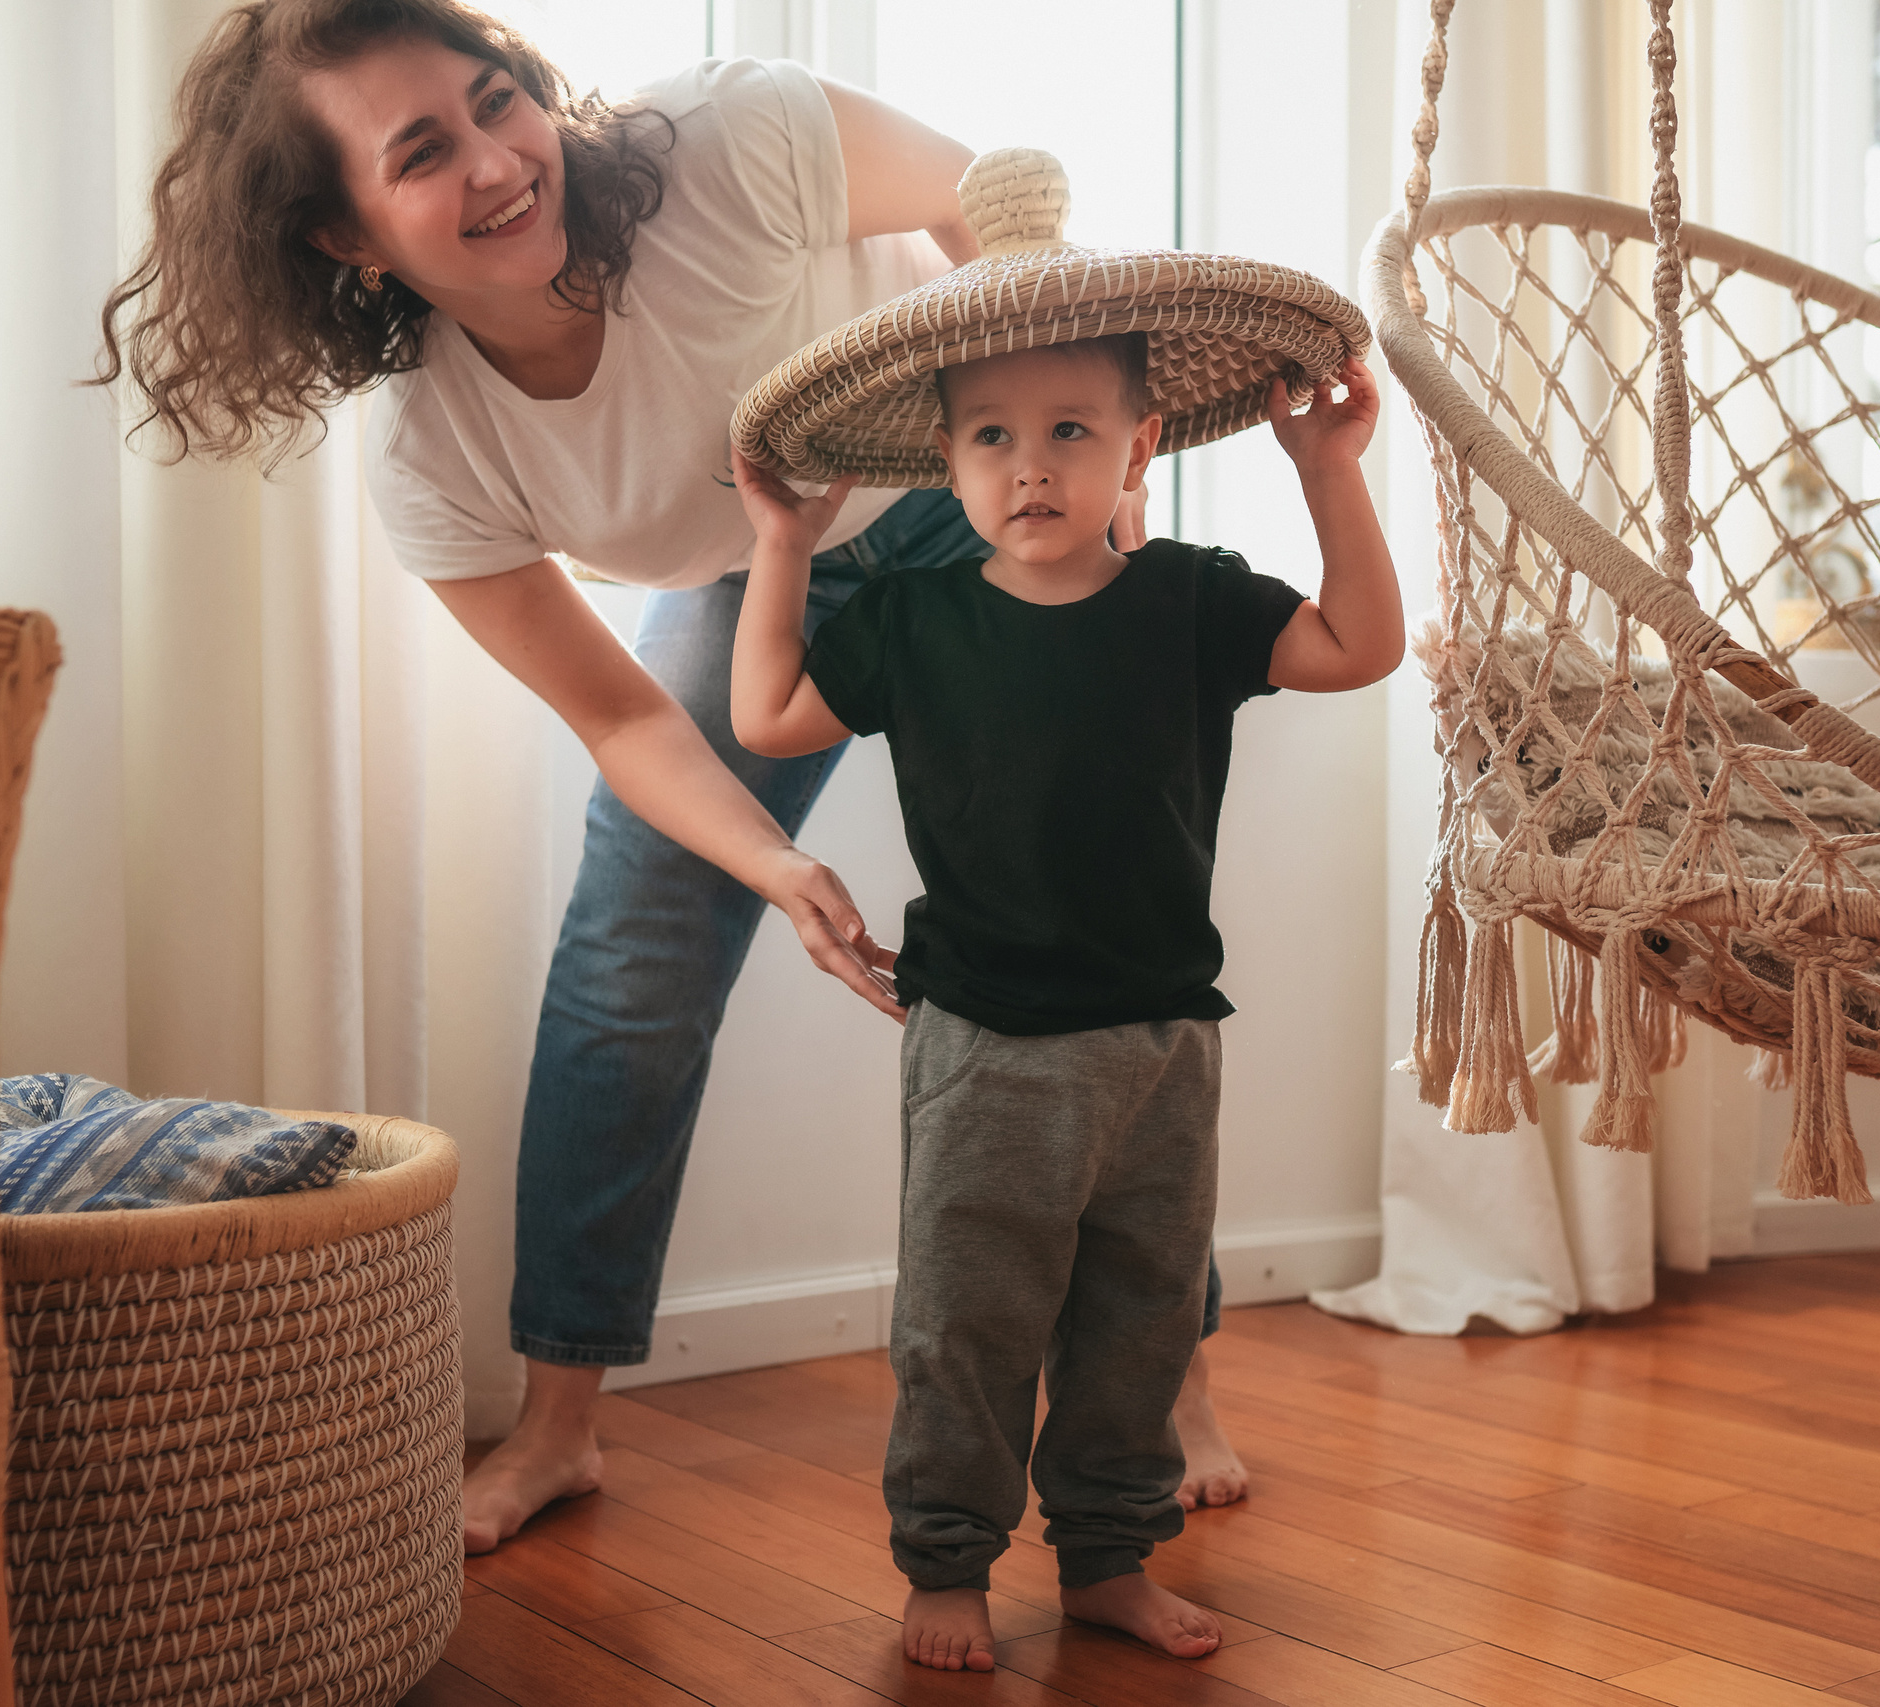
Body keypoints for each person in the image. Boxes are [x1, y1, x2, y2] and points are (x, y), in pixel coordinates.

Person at [97, 0, 1250, 1559]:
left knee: (1099, 923)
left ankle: (1162, 1378)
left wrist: (1058, 492)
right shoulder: (434, 455)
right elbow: (630, 727)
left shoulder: (733, 139)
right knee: (630, 957)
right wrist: (769, 870)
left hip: (968, 493)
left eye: (499, 102)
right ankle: (557, 1423)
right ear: (343, 235)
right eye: (423, 153)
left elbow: (989, 207)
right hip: (761, 576)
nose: (504, 161)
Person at [725, 150, 1400, 1670]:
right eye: (991, 437)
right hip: (985, 1045)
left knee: (1142, 1320)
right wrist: (783, 543)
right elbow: (765, 714)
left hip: (1164, 1040)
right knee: (966, 1323)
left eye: (1070, 431)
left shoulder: (1193, 601)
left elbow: (1358, 645)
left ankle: (1107, 1556)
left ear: (1140, 445)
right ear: (948, 464)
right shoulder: (912, 618)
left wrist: (1328, 471)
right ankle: (947, 1562)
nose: (1030, 466)